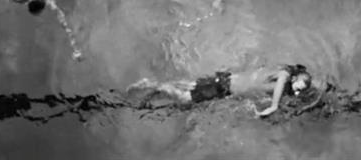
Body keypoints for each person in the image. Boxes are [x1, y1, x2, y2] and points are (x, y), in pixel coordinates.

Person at [127, 63, 318, 117]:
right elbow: (284, 78)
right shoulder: (283, 74)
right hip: (223, 87)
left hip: (225, 81)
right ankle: (160, 88)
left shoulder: (286, 87)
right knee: (185, 99)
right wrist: (274, 106)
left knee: (189, 86)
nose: (297, 93)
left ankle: (149, 84)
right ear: (294, 78)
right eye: (298, 88)